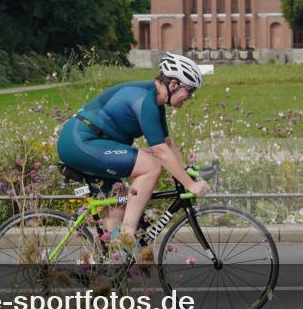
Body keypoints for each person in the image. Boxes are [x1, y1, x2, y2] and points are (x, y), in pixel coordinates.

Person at [56, 53, 212, 248]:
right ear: (173, 85)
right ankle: (128, 233)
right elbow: (160, 152)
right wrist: (190, 185)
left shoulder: (155, 102)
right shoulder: (145, 100)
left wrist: (188, 171)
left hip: (88, 143)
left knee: (118, 207)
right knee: (151, 166)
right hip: (81, 141)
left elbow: (167, 145)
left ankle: (113, 264)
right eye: (189, 91)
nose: (191, 96)